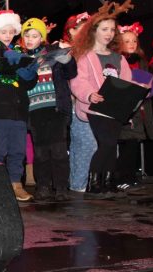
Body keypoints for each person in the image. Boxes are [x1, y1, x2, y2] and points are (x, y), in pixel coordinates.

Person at [70, 0, 134, 198]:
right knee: (104, 144)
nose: (109, 33)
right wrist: (89, 94)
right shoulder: (85, 56)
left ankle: (107, 181)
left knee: (111, 145)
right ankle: (93, 182)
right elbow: (78, 81)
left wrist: (133, 99)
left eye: (112, 30)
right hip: (96, 108)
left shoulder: (119, 58)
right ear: (93, 31)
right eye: (104, 29)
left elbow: (127, 83)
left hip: (114, 110)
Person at [0, 10, 38, 202]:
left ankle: (15, 184)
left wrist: (30, 73)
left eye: (11, 31)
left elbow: (27, 83)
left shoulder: (17, 52)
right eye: (4, 31)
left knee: (17, 149)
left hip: (18, 110)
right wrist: (6, 53)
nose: (8, 35)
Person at [20, 18, 77, 201]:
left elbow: (71, 73)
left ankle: (61, 187)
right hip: (34, 111)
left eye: (34, 36)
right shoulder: (22, 58)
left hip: (55, 108)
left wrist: (67, 60)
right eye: (26, 36)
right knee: (41, 152)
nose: (30, 39)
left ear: (42, 37)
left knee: (59, 150)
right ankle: (43, 185)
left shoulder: (52, 52)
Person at [60, 12, 95, 195]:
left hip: (93, 104)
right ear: (70, 31)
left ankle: (82, 181)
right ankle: (78, 184)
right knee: (83, 144)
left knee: (88, 144)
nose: (83, 31)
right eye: (78, 28)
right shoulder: (66, 50)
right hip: (73, 104)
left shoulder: (93, 50)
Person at [116, 22, 153, 189]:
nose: (131, 44)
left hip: (140, 108)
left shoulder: (142, 61)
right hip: (125, 108)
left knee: (135, 142)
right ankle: (122, 177)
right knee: (127, 143)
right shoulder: (118, 61)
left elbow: (147, 82)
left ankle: (130, 175)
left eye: (134, 41)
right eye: (127, 41)